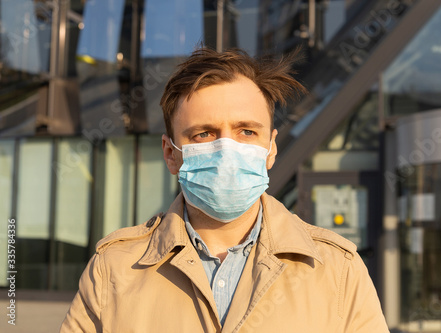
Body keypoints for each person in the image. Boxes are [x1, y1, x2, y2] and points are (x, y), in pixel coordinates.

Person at [60, 47, 389, 332]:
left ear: (271, 148)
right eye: (203, 134)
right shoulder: (113, 270)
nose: (227, 150)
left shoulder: (337, 269)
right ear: (170, 153)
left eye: (246, 131)